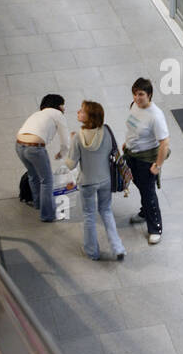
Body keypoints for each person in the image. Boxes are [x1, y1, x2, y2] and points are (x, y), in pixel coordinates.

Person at [65, 100, 125, 261]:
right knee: (106, 210)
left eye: (82, 111)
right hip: (106, 180)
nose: (78, 111)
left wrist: (71, 142)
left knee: (89, 216)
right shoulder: (106, 130)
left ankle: (92, 251)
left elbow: (71, 164)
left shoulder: (78, 137)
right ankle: (118, 247)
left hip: (87, 183)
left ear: (89, 117)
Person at [123, 77, 169, 245]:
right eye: (135, 94)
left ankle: (155, 227)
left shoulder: (155, 116)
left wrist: (157, 165)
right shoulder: (134, 106)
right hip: (132, 154)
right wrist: (127, 143)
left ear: (149, 95)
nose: (137, 98)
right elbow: (133, 127)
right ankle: (145, 212)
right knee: (139, 185)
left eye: (141, 94)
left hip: (145, 159)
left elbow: (165, 142)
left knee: (148, 192)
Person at [16, 94, 71, 223]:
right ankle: (48, 215)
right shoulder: (58, 114)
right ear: (58, 105)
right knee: (47, 181)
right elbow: (65, 140)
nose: (64, 108)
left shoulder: (37, 114)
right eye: (63, 104)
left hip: (19, 145)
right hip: (35, 148)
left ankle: (38, 204)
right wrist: (62, 153)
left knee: (33, 175)